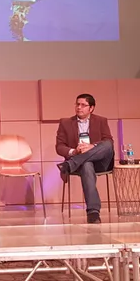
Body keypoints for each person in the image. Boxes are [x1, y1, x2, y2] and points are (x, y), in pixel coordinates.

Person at [55, 94, 115, 224]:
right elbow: (59, 147)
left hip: (99, 162)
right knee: (87, 164)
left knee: (108, 145)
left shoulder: (101, 121)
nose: (79, 107)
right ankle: (93, 212)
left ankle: (70, 164)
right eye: (77, 104)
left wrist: (92, 146)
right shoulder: (65, 123)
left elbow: (108, 141)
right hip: (82, 163)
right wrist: (74, 151)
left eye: (83, 105)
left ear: (91, 108)